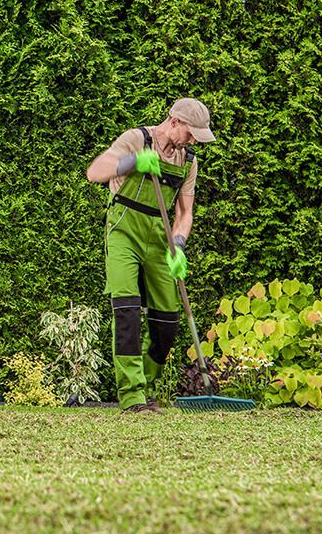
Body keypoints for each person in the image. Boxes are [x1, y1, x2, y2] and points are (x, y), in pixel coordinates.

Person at [86, 98, 216, 413]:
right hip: (123, 228)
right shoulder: (136, 139)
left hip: (160, 237)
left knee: (167, 321)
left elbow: (185, 212)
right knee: (127, 309)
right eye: (191, 132)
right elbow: (95, 172)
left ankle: (144, 382)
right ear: (174, 122)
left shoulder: (188, 161)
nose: (193, 139)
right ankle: (132, 396)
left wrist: (180, 245)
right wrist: (133, 163)